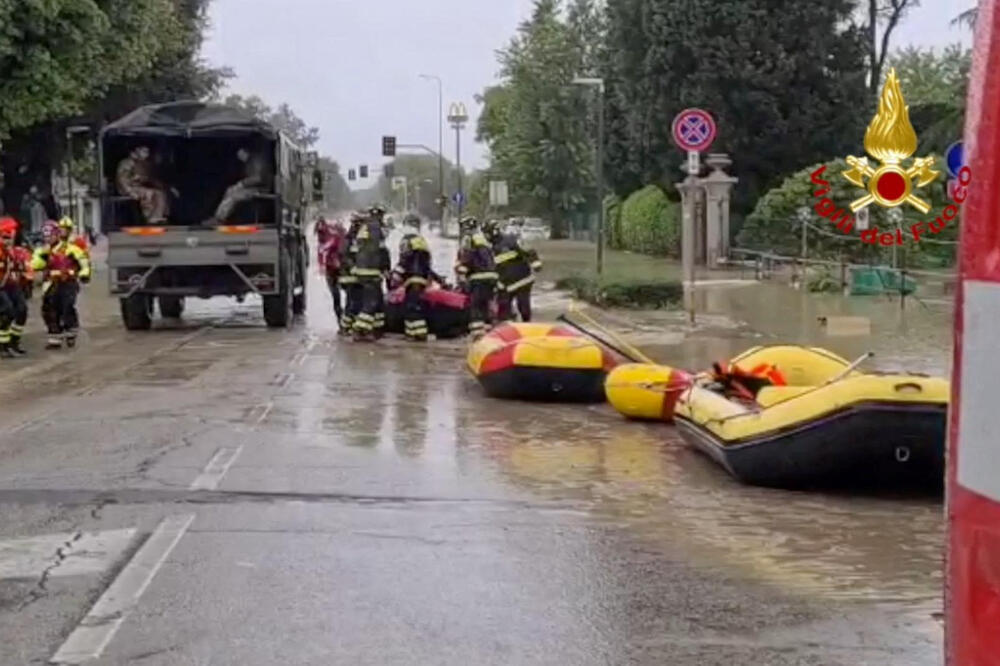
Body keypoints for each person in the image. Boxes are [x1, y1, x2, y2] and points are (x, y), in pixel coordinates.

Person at [31, 219, 91, 349]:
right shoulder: (41, 251)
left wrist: (84, 273)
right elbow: (35, 265)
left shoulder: (70, 249)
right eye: (46, 236)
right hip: (50, 283)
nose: (48, 239)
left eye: (51, 236)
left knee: (67, 306)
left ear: (57, 234)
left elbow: (83, 261)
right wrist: (43, 256)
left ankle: (71, 331)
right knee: (49, 309)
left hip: (68, 282)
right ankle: (54, 337)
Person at [483, 219, 542, 323]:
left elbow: (529, 251)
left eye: (486, 234)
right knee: (503, 310)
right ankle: (508, 329)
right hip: (506, 285)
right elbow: (492, 268)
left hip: (523, 280)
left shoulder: (511, 240)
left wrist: (536, 264)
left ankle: (526, 326)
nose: (485, 237)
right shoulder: (490, 248)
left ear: (493, 232)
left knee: (523, 307)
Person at [391, 214, 434, 341]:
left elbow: (404, 259)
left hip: (412, 278)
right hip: (421, 278)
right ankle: (414, 333)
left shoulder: (407, 240)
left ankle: (416, 334)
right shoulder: (421, 241)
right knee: (415, 305)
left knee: (411, 307)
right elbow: (427, 262)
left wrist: (396, 274)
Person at [350, 209, 390, 342]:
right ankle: (359, 330)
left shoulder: (364, 228)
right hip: (371, 271)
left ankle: (376, 329)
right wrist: (386, 268)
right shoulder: (377, 229)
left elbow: (356, 250)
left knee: (377, 301)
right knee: (371, 303)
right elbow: (383, 251)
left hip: (361, 270)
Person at [455, 216, 497, 338]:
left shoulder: (469, 238)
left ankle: (478, 335)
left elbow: (467, 257)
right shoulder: (483, 239)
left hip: (479, 277)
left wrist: (462, 274)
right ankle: (488, 333)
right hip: (491, 277)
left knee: (476, 306)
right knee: (485, 306)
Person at [212, 147, 272, 224]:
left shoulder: (257, 161)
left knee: (234, 196)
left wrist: (242, 184)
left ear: (245, 152)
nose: (239, 157)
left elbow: (258, 178)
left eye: (240, 155)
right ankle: (220, 215)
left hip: (260, 189)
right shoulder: (249, 162)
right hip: (252, 188)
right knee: (230, 190)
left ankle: (219, 218)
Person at [116, 146, 170, 224]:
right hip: (128, 188)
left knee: (161, 192)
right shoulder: (127, 163)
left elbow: (147, 178)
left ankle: (158, 215)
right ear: (137, 150)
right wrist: (130, 192)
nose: (146, 154)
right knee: (152, 193)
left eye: (147, 152)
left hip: (138, 187)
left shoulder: (142, 163)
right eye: (144, 151)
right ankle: (152, 217)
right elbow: (122, 180)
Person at [0, 218, 30, 357]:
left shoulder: (16, 251)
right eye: (5, 237)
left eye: (10, 237)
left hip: (13, 284)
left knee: (22, 310)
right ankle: (3, 345)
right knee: (7, 311)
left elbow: (26, 267)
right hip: (1, 286)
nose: (8, 241)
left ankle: (14, 341)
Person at [338, 212, 365, 334]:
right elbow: (344, 255)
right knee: (353, 302)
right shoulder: (350, 238)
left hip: (356, 275)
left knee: (355, 302)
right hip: (350, 276)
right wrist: (352, 267)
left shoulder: (358, 237)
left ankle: (348, 326)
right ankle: (346, 327)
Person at [318, 219, 347, 329]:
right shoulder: (327, 240)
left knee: (345, 295)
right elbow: (321, 253)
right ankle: (342, 320)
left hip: (339, 269)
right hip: (333, 269)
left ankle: (344, 320)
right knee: (337, 296)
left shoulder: (336, 237)